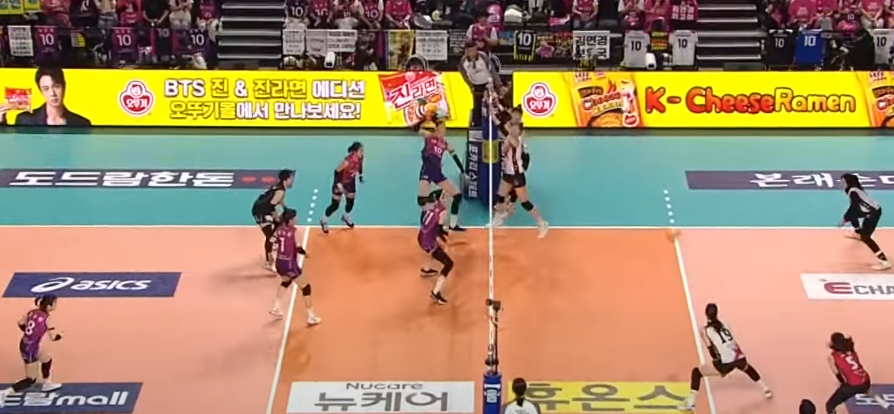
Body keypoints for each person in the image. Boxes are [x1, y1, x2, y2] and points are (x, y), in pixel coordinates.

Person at [680, 303, 772, 412]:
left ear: (706, 314)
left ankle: (690, 403)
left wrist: (719, 367)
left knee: (696, 372)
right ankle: (766, 388)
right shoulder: (725, 324)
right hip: (738, 356)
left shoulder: (705, 331)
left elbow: (711, 350)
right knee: (747, 368)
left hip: (724, 363)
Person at [490, 106, 548, 238]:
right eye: (512, 128)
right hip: (508, 172)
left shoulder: (516, 139)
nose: (513, 129)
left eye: (515, 129)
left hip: (517, 174)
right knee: (500, 196)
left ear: (519, 131)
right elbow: (503, 151)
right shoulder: (509, 136)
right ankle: (497, 219)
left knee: (525, 202)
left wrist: (498, 122)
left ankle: (542, 223)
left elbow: (509, 139)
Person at [0, 295, 63, 408]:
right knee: (31, 379)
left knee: (47, 359)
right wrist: (60, 335)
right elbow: (53, 338)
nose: (56, 305)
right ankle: (5, 393)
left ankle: (47, 384)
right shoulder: (47, 319)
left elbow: (20, 323)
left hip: (27, 343)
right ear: (49, 306)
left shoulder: (32, 312)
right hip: (30, 349)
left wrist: (30, 334)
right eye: (54, 303)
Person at [414, 111, 467, 232]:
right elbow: (415, 128)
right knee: (422, 201)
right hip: (427, 171)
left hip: (437, 173)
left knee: (457, 195)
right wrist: (424, 118)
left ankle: (453, 224)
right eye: (442, 128)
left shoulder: (444, 143)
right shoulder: (429, 136)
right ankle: (426, 226)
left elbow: (454, 156)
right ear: (436, 128)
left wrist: (463, 171)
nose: (444, 130)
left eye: (445, 128)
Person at [271, 208, 321, 325]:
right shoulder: (293, 232)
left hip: (279, 263)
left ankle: (276, 307)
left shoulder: (278, 230)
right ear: (290, 220)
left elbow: (271, 241)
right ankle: (311, 316)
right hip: (290, 265)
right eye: (294, 218)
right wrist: (306, 253)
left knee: (286, 282)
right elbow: (298, 248)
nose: (296, 219)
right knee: (306, 287)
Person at [0, 67, 91, 127]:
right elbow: (15, 146)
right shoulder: (26, 120)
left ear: (64, 87)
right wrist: (1, 122)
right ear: (41, 91)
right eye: (46, 88)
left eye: (56, 86)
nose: (52, 93)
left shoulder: (81, 123)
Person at [825, 332, 889, 414]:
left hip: (854, 385)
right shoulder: (851, 349)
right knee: (866, 389)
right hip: (866, 380)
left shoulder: (832, 357)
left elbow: (837, 373)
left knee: (829, 406)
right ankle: (883, 402)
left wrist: (843, 384)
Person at [839, 173, 890, 270]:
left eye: (843, 182)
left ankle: (884, 261)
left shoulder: (853, 192)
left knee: (866, 237)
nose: (841, 184)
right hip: (867, 211)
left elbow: (854, 207)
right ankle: (857, 233)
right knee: (852, 216)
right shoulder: (852, 190)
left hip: (873, 214)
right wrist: (847, 217)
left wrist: (845, 219)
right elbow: (854, 207)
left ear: (849, 182)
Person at [252, 169, 294, 272]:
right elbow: (271, 205)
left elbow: (278, 201)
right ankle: (269, 262)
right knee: (270, 236)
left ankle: (274, 244)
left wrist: (285, 209)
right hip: (260, 212)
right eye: (291, 178)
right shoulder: (280, 191)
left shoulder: (279, 187)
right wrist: (275, 216)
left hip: (264, 210)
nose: (292, 180)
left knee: (278, 224)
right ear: (286, 179)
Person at [419, 190, 454, 305]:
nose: (448, 198)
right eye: (446, 196)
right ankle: (435, 292)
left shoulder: (431, 205)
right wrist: (443, 243)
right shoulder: (442, 211)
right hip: (429, 241)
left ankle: (426, 270)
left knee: (434, 252)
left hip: (421, 236)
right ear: (441, 198)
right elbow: (438, 232)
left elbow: (423, 220)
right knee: (449, 264)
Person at [321, 142, 364, 234]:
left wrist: (360, 175)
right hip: (340, 183)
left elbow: (360, 166)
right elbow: (336, 171)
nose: (362, 153)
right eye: (361, 151)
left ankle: (346, 217)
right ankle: (324, 220)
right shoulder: (347, 161)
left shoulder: (360, 158)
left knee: (350, 203)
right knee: (335, 205)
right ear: (355, 152)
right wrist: (338, 184)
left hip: (350, 183)